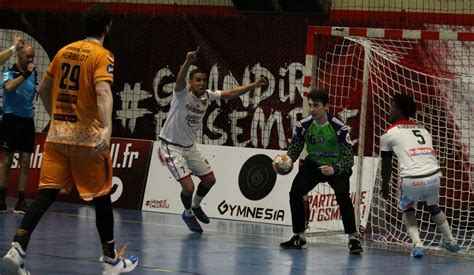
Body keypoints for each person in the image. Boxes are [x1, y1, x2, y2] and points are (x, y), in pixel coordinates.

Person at [2, 5, 138, 274]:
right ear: (107, 27)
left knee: (45, 196)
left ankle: (17, 247)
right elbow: (103, 93)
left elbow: (42, 89)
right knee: (101, 198)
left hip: (57, 138)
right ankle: (111, 261)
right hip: (87, 140)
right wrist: (108, 129)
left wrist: (56, 118)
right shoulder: (102, 55)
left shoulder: (64, 51)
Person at [158, 46, 268, 233]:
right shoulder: (181, 95)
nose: (201, 83)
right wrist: (188, 62)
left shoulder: (207, 97)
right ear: (190, 84)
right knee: (188, 186)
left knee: (210, 180)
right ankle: (187, 213)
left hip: (189, 147)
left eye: (204, 80)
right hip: (171, 147)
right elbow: (179, 80)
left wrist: (254, 85)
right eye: (197, 80)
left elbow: (232, 93)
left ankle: (196, 206)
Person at [279, 89, 363, 254]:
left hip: (335, 166)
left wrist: (334, 169)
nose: (312, 109)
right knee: (295, 192)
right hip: (314, 165)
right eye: (310, 105)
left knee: (342, 194)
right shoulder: (303, 125)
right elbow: (295, 149)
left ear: (326, 107)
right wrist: (286, 160)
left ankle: (353, 238)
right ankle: (299, 236)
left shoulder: (339, 127)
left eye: (316, 106)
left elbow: (348, 158)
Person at [380, 94, 460, 258]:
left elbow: (386, 165)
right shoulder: (424, 129)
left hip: (411, 179)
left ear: (398, 109)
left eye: (391, 106)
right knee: (432, 205)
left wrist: (385, 185)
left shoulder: (388, 133)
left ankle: (417, 245)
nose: (389, 110)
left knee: (407, 208)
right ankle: (450, 241)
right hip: (434, 177)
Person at [0, 43, 36, 215]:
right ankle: (1, 200)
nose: (31, 60)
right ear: (19, 56)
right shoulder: (8, 71)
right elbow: (8, 87)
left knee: (25, 162)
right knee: (6, 162)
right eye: (28, 56)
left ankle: (21, 201)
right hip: (10, 120)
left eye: (32, 57)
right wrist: (26, 74)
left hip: (27, 122)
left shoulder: (33, 73)